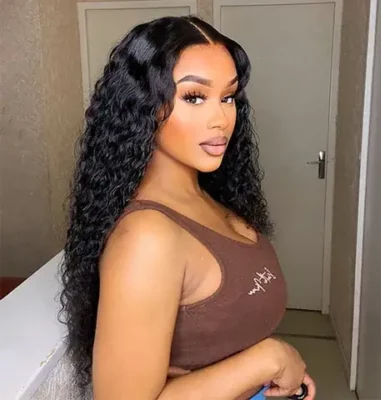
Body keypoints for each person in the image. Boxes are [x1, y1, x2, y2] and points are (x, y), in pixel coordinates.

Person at [60, 15, 316, 400]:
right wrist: (270, 359)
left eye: (228, 97)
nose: (221, 119)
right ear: (144, 105)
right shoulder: (146, 238)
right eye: (194, 97)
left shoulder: (210, 194)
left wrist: (280, 374)